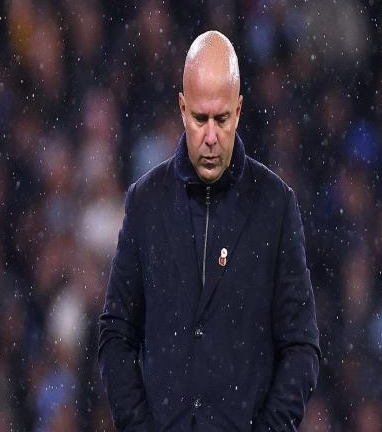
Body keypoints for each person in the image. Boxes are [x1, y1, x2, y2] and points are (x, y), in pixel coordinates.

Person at [98, 30, 321, 432]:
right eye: (200, 119)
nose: (211, 136)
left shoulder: (275, 207)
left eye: (222, 118)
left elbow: (301, 346)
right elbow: (116, 334)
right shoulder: (146, 203)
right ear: (182, 109)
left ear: (239, 110)